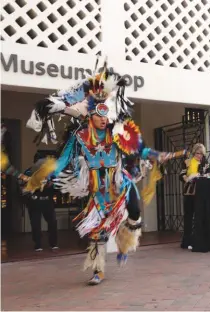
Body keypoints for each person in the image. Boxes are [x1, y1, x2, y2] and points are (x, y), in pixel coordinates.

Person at [23, 63, 177, 286]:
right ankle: (98, 271)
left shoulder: (117, 132)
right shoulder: (79, 137)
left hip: (121, 184)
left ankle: (125, 243)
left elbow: (139, 149)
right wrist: (44, 175)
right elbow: (62, 162)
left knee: (134, 212)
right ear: (90, 116)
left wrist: (157, 154)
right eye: (100, 114)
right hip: (98, 193)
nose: (104, 118)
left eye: (107, 114)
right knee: (97, 234)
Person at [23, 152, 58, 252]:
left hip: (48, 200)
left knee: (52, 222)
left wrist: (51, 185)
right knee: (35, 224)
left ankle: (53, 243)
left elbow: (57, 185)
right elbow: (23, 187)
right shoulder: (29, 172)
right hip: (34, 202)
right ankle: (38, 244)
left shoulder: (51, 172)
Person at [179, 143, 209, 249]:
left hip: (201, 191)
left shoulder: (205, 163)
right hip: (189, 192)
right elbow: (181, 175)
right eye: (197, 153)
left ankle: (199, 239)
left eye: (201, 154)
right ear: (194, 152)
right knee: (188, 216)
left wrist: (202, 175)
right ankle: (187, 240)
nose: (199, 155)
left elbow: (208, 175)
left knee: (200, 216)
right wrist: (188, 179)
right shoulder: (187, 162)